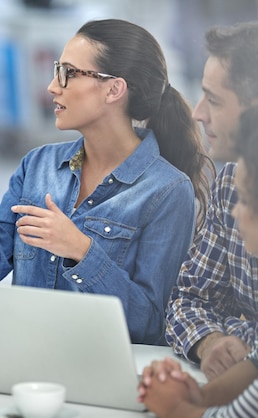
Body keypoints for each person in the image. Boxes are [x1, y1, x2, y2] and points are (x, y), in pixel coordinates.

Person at [0, 18, 212, 345]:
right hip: (27, 366)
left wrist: (81, 250)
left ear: (114, 89)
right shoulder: (38, 164)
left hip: (105, 378)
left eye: (68, 73)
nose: (52, 86)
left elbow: (151, 323)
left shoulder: (169, 191)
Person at [139, 106, 258, 418]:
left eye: (245, 200)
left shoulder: (169, 190)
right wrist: (198, 394)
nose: (235, 211)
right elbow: (254, 368)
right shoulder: (231, 176)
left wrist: (177, 408)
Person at [165, 21, 258, 380]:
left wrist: (242, 335)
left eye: (214, 100)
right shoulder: (231, 184)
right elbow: (187, 299)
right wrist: (211, 341)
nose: (198, 113)